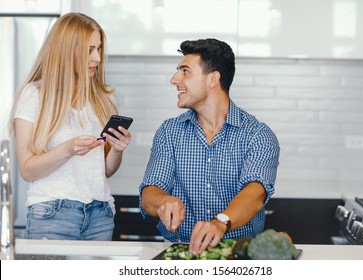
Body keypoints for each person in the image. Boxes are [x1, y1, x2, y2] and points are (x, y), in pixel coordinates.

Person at [140, 38, 280, 254]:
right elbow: (150, 192)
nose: (174, 79)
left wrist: (220, 222)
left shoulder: (258, 135)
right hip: (178, 253)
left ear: (213, 79)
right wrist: (163, 201)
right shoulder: (169, 132)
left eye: (185, 71)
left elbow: (255, 195)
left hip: (237, 255)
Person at [9, 12, 131, 240]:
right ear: (66, 51)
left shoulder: (104, 99)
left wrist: (117, 149)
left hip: (100, 214)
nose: (97, 58)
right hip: (52, 214)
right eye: (89, 50)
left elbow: (105, 170)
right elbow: (27, 170)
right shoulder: (35, 95)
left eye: (99, 49)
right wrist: (67, 150)